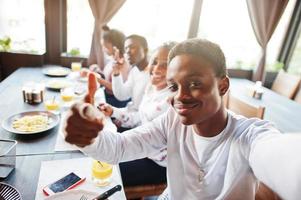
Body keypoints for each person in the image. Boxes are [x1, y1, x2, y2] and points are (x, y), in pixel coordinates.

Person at [64, 38, 301, 199]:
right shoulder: (172, 121)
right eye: (173, 86)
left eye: (195, 83)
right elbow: (118, 148)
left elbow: (281, 159)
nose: (181, 96)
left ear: (223, 86)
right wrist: (88, 137)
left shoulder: (250, 136)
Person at [98, 42, 177, 186]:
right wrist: (113, 111)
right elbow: (139, 118)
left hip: (158, 163)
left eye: (165, 65)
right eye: (154, 62)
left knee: (108, 172)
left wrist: (115, 146)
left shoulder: (175, 101)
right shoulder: (152, 87)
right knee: (101, 153)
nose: (156, 68)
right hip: (142, 148)